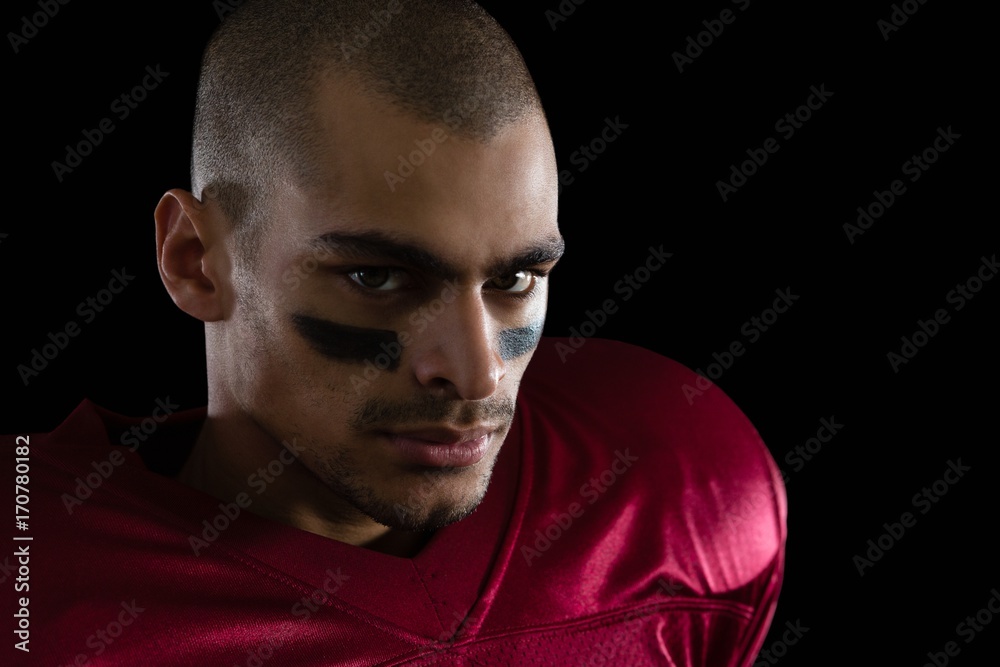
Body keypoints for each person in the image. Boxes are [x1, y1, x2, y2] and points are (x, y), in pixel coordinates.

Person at [17, 1, 786, 664]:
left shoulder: (678, 483)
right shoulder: (29, 577)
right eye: (378, 278)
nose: (479, 374)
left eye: (513, 280)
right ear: (196, 261)